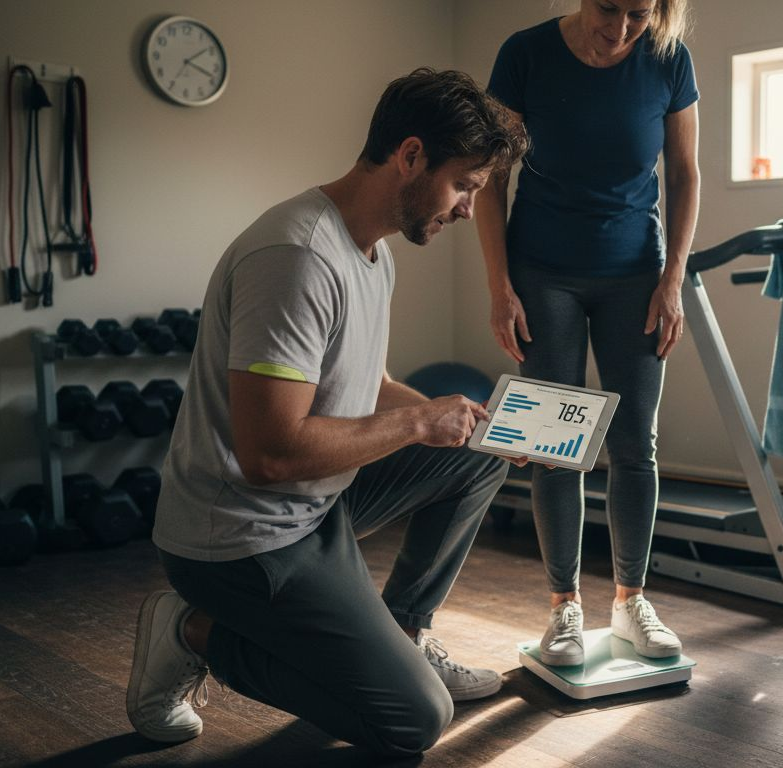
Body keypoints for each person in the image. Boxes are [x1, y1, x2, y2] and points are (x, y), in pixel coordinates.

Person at [125, 68, 528, 759]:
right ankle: (192, 632)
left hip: (314, 510)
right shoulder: (298, 257)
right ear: (410, 156)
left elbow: (365, 384)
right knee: (411, 722)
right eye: (464, 184)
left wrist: (471, 422)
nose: (467, 209)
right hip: (241, 539)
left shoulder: (373, 253)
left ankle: (402, 632)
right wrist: (420, 422)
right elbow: (271, 454)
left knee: (476, 447)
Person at [475, 0, 700, 667]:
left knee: (637, 444)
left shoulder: (668, 58)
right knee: (556, 443)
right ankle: (563, 607)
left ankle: (631, 601)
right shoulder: (525, 54)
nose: (624, 27)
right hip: (543, 274)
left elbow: (685, 173)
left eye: (641, 12)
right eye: (611, 8)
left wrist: (672, 280)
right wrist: (498, 286)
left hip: (637, 274)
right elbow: (492, 179)